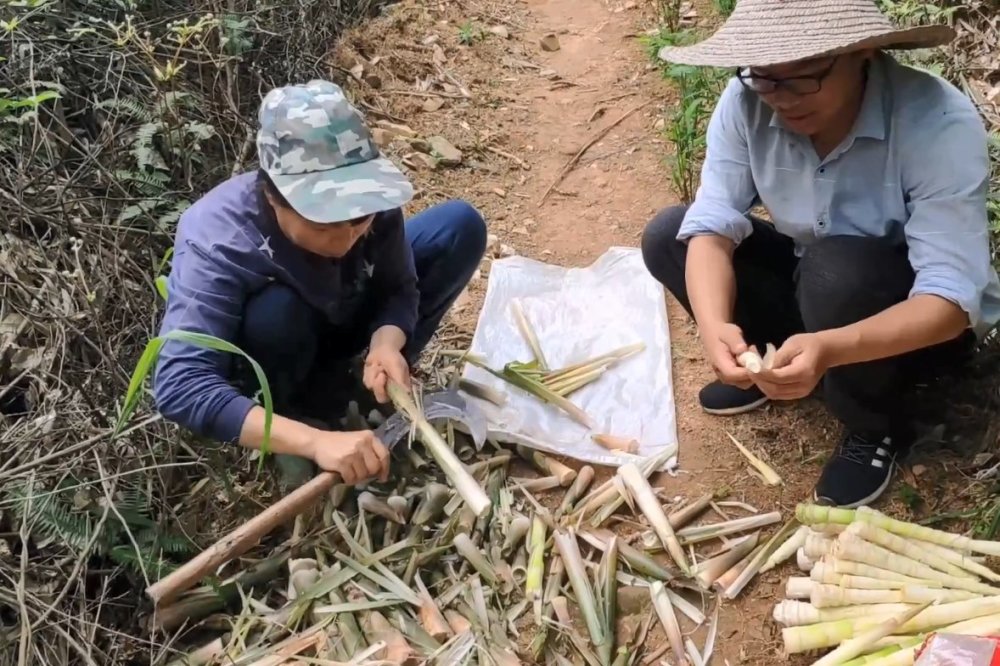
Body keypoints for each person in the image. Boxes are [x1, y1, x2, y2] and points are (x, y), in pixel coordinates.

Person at [642, 0, 1000, 508]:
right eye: (765, 77)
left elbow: (949, 301)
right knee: (669, 235)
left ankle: (873, 424)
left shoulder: (935, 122)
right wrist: (713, 326)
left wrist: (831, 347)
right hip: (815, 282)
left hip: (909, 325)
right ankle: (765, 365)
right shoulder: (747, 101)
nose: (781, 98)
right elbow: (712, 223)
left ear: (863, 54)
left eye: (805, 76)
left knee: (836, 271)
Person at [152, 80, 487, 489]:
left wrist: (387, 341)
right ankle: (300, 417)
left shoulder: (371, 204)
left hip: (347, 312)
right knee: (275, 314)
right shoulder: (218, 236)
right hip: (283, 349)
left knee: (457, 228)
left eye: (359, 216)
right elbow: (181, 384)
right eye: (327, 220)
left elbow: (400, 285)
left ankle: (374, 380)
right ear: (274, 198)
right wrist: (314, 443)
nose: (349, 235)